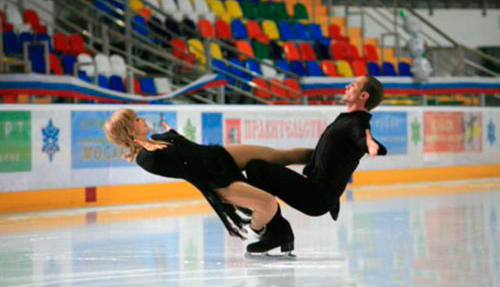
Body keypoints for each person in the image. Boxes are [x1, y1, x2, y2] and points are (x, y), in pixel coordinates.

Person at [104, 108, 311, 251]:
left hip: (219, 155)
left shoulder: (158, 138)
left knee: (282, 155)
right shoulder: (145, 158)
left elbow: (188, 148)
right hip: (215, 181)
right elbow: (171, 163)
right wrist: (151, 148)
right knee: (267, 203)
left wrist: (169, 137)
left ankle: (329, 156)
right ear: (130, 131)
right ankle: (257, 231)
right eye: (136, 119)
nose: (142, 119)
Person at [243, 75, 387, 254]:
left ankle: (278, 233)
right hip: (313, 190)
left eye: (354, 85)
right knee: (257, 168)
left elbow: (361, 138)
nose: (347, 86)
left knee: (257, 169)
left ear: (363, 96)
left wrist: (370, 145)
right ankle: (277, 231)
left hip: (317, 196)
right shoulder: (348, 119)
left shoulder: (357, 123)